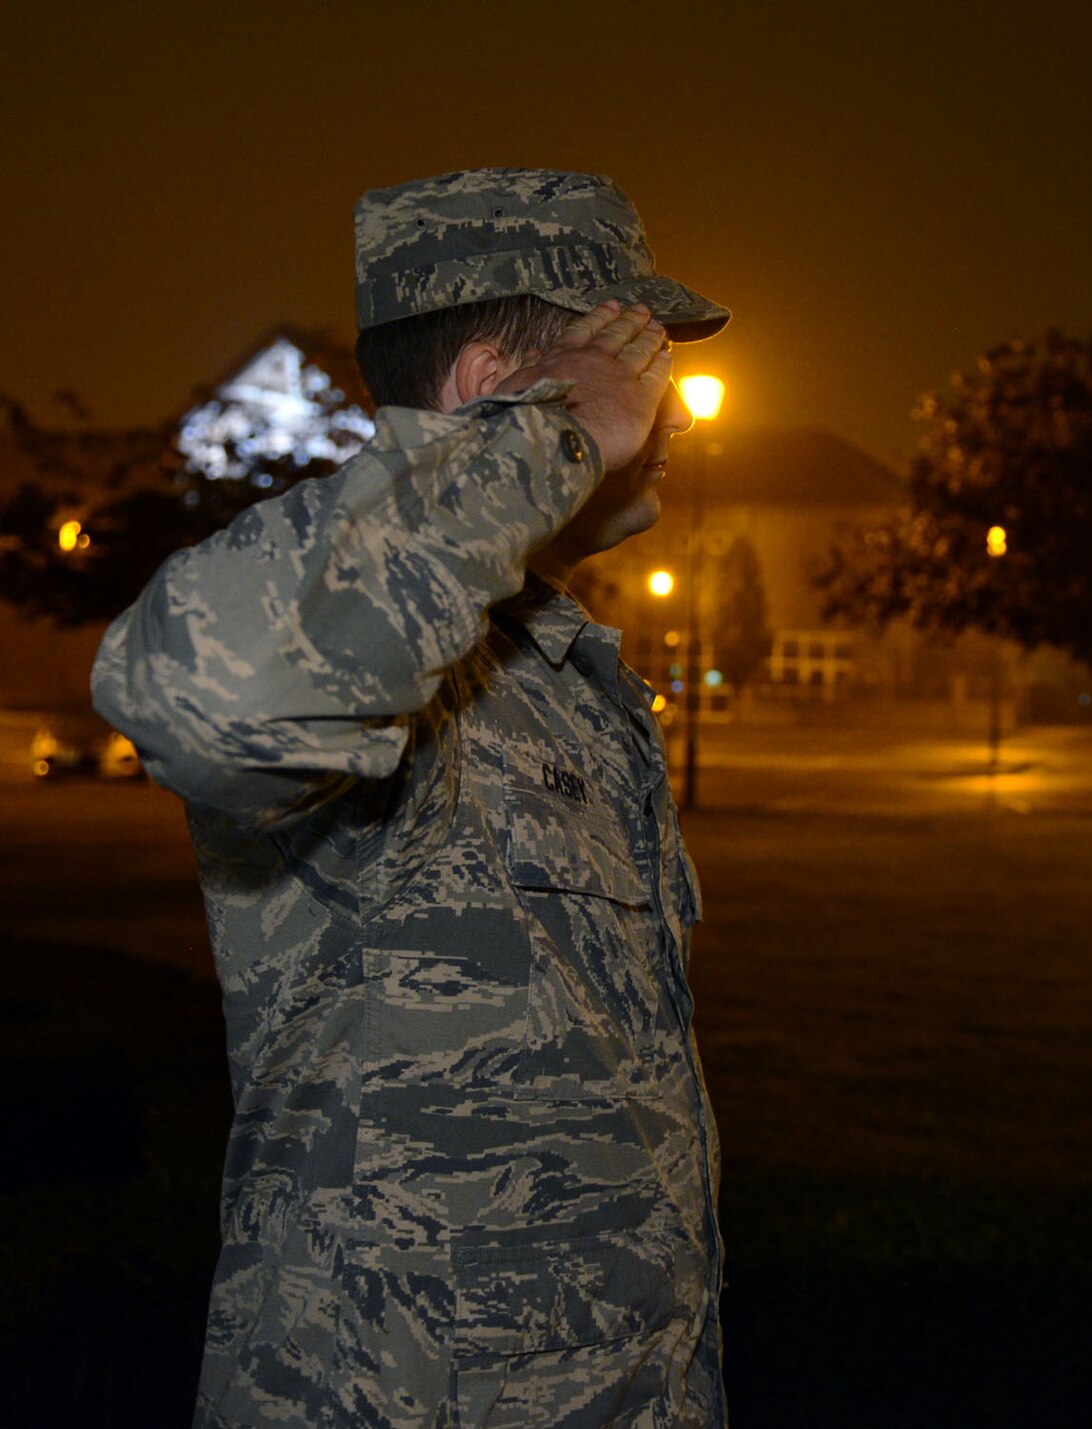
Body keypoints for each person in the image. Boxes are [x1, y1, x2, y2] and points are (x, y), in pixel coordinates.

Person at [93, 168, 732, 1427]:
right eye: (625, 368)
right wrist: (547, 439)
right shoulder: (380, 652)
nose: (662, 417)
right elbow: (193, 693)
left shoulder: (556, 675)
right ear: (492, 385)